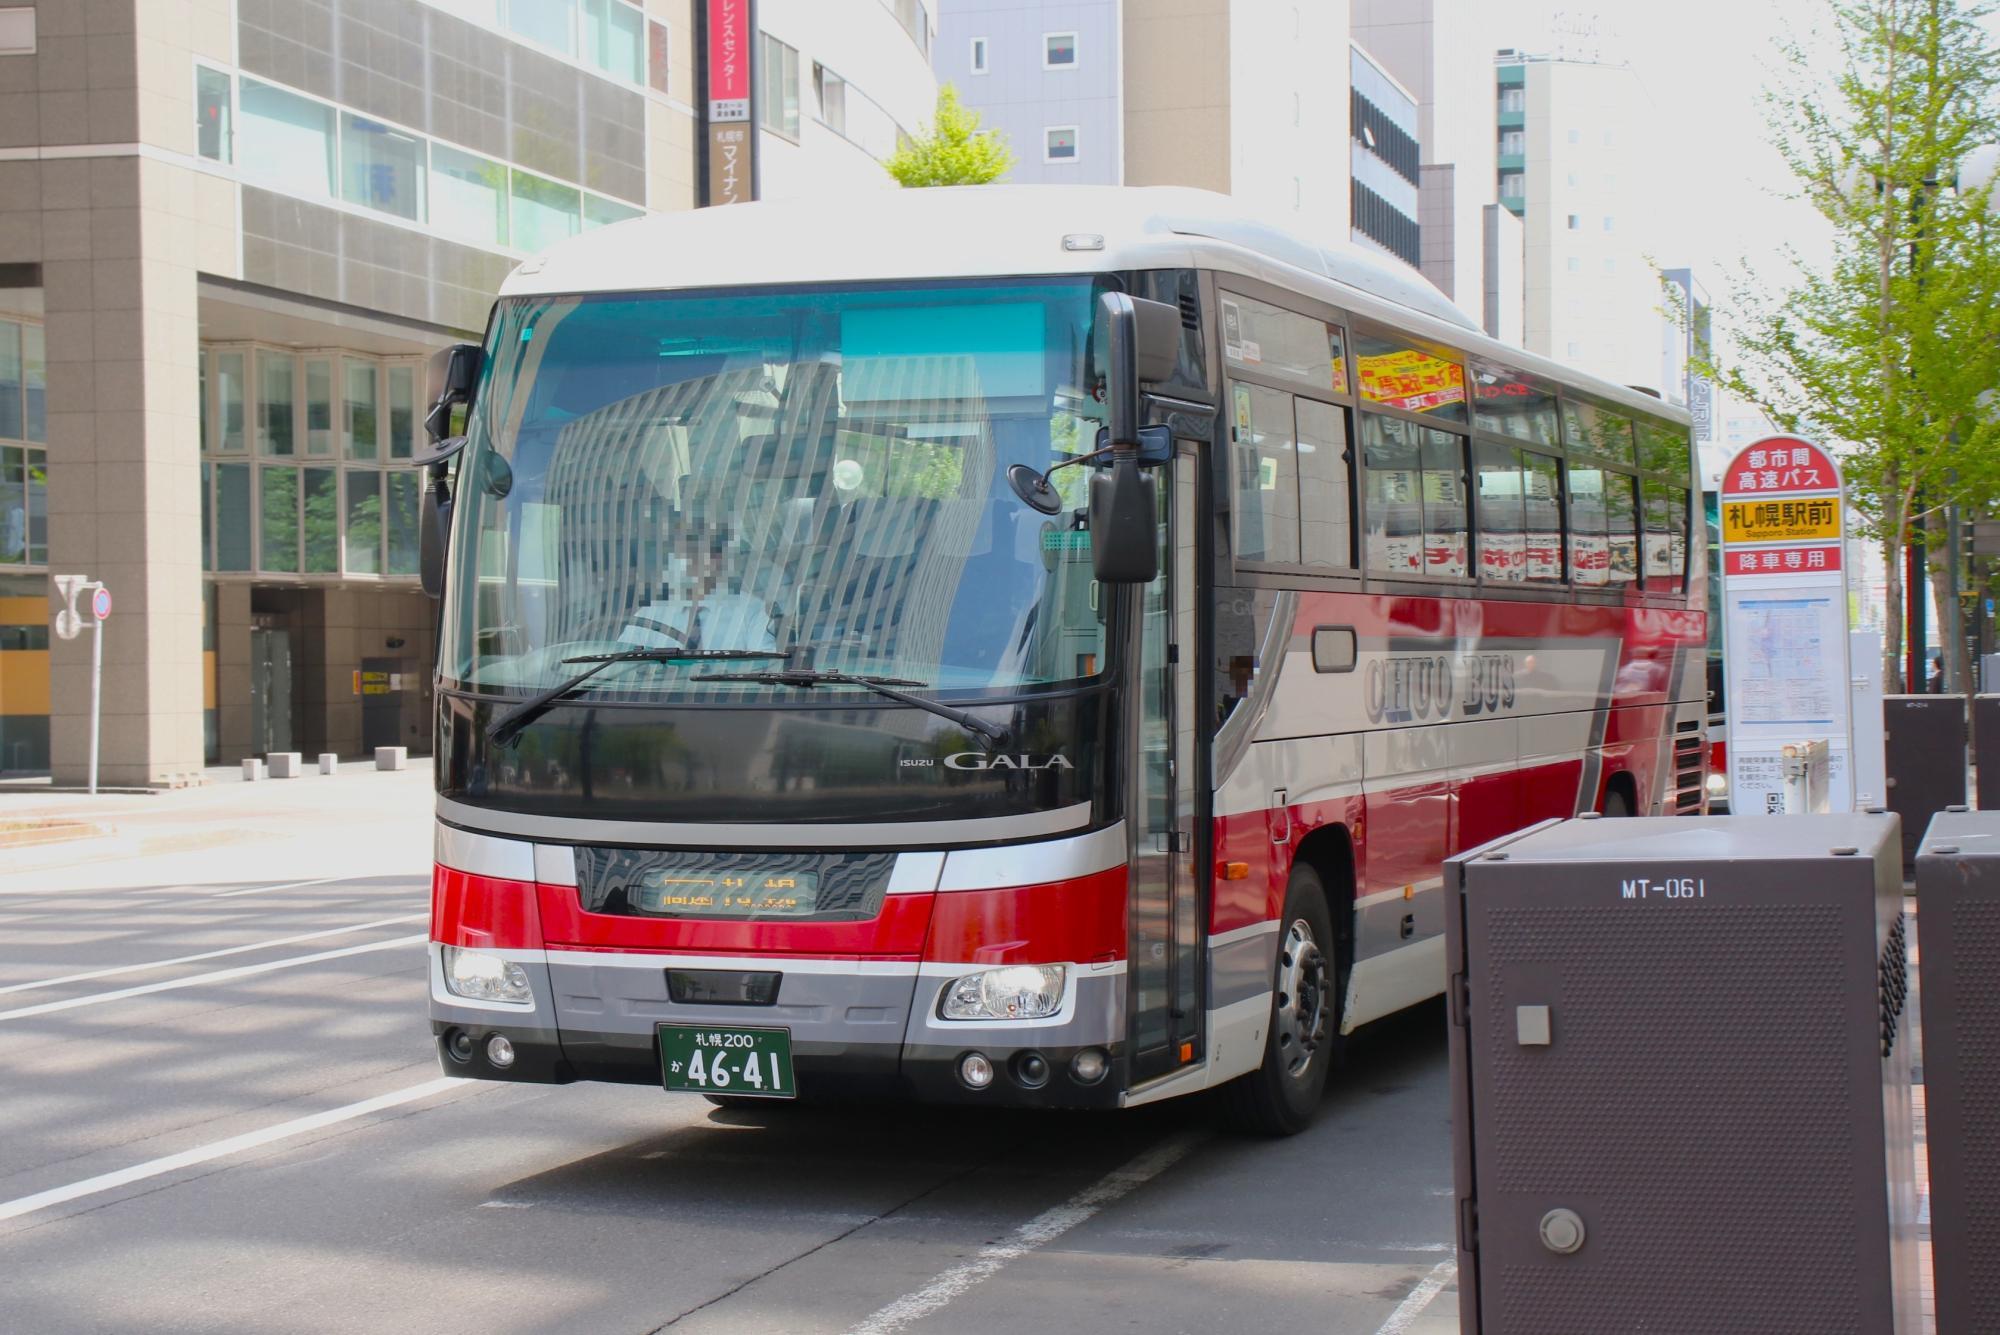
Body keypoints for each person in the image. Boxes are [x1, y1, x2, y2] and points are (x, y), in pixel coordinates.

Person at [620, 517, 777, 652]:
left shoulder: (752, 611)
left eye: (695, 552)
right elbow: (620, 664)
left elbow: (765, 670)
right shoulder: (650, 614)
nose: (686, 561)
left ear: (719, 558)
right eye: (682, 553)